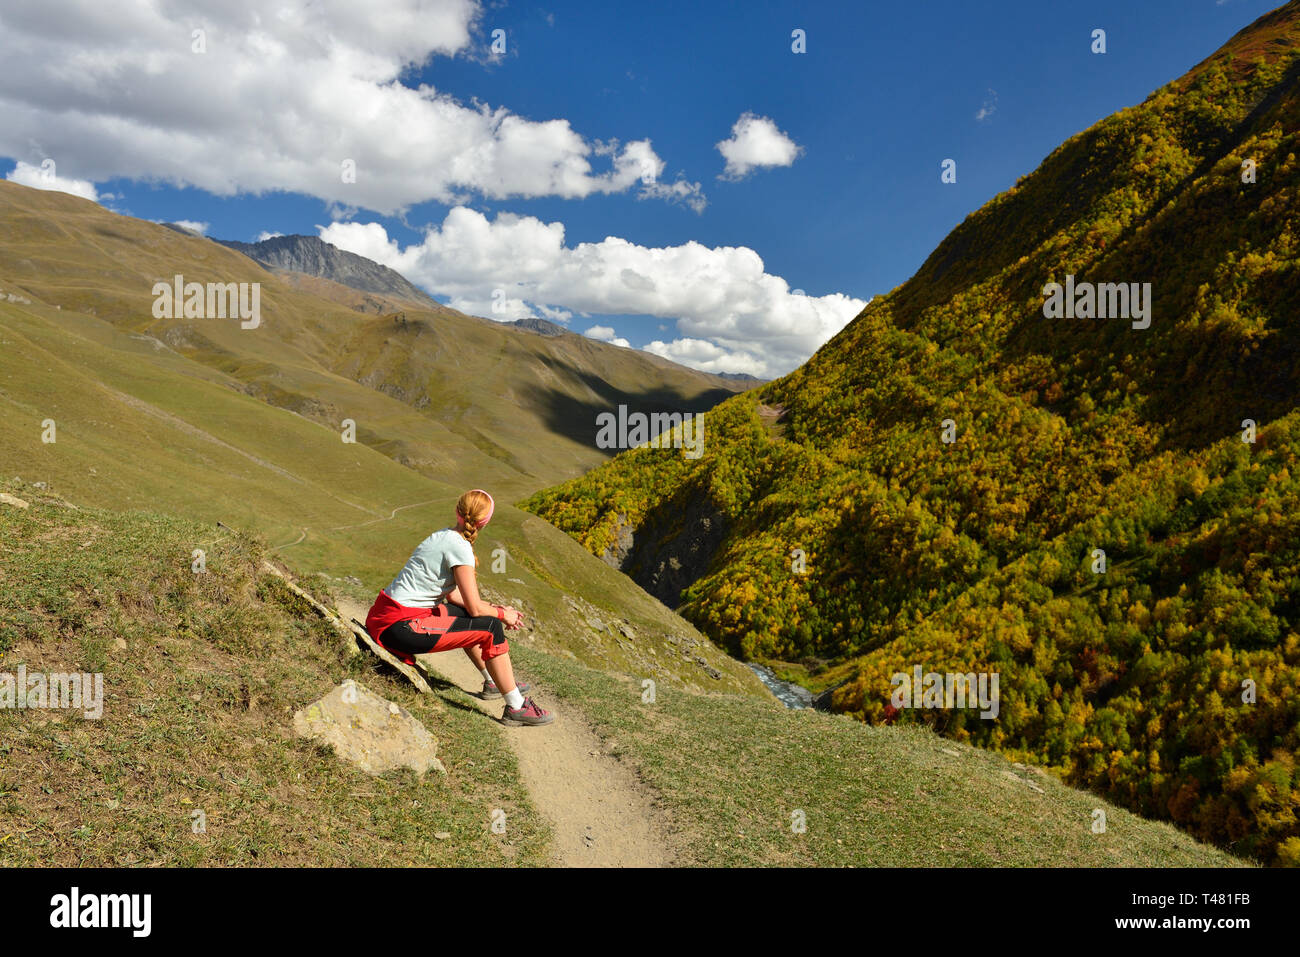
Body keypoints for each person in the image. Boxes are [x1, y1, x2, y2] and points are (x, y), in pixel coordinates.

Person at [364, 489, 553, 726]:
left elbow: (454, 596)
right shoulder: (460, 547)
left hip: (387, 617)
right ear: (485, 522)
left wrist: (494, 607)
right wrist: (504, 614)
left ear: (457, 511)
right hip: (401, 627)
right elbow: (474, 608)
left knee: (474, 618)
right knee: (491, 626)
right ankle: (516, 706)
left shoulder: (443, 536)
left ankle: (493, 681)